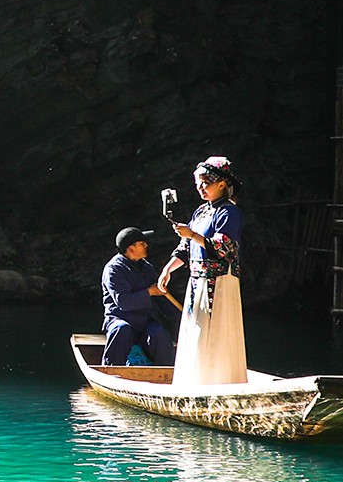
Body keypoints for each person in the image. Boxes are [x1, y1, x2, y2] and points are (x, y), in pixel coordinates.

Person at [168, 156, 248, 388]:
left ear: (222, 183)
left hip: (220, 281)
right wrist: (168, 270)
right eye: (198, 183)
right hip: (197, 280)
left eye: (206, 182)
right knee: (197, 330)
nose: (201, 188)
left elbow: (223, 247)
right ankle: (195, 380)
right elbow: (186, 248)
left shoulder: (229, 213)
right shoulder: (201, 212)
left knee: (216, 330)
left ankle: (219, 382)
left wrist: (191, 234)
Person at [99, 228, 174, 367]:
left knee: (158, 333)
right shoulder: (114, 269)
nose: (146, 245)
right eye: (142, 243)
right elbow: (123, 302)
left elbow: (161, 299)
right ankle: (111, 370)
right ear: (131, 249)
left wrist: (184, 317)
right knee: (122, 329)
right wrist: (149, 292)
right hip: (120, 318)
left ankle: (167, 373)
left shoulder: (147, 268)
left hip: (145, 321)